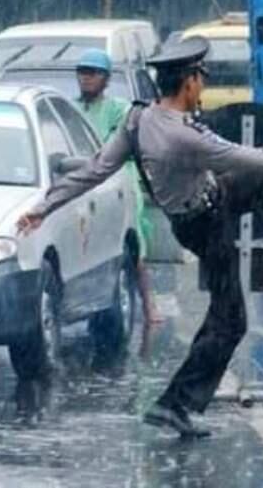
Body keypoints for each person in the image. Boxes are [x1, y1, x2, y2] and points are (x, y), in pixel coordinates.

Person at [16, 36, 263, 438]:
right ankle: (174, 405)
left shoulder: (137, 120)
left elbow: (94, 168)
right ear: (187, 82)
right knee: (229, 322)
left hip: (216, 196)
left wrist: (43, 207)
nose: (203, 85)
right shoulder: (185, 136)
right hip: (207, 225)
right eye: (201, 78)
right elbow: (260, 159)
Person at [75, 48, 162, 325]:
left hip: (118, 182)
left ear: (105, 79)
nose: (86, 78)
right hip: (83, 182)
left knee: (133, 245)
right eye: (82, 72)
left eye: (93, 73)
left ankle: (149, 306)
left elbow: (119, 145)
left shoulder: (118, 110)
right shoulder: (70, 109)